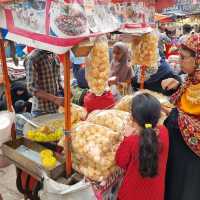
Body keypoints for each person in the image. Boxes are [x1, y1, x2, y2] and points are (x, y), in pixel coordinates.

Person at [163, 33, 200, 200]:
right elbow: (185, 104)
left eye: (183, 58)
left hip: (192, 161)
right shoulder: (190, 81)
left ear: (197, 59)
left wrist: (172, 116)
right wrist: (177, 85)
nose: (179, 61)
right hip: (178, 154)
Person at [115, 93, 169, 200]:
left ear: (132, 117)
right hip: (156, 193)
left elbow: (120, 162)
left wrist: (126, 137)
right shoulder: (164, 132)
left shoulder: (131, 141)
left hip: (131, 195)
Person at [24, 49, 64, 117]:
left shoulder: (55, 56)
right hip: (41, 111)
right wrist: (55, 99)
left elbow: (58, 80)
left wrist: (64, 91)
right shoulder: (33, 58)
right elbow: (31, 87)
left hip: (56, 109)